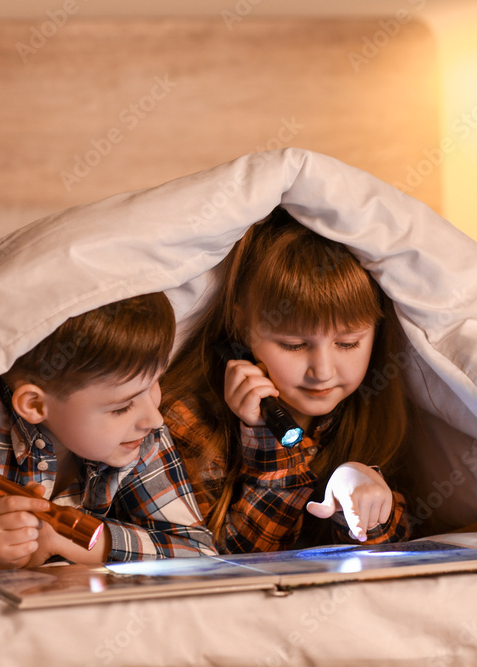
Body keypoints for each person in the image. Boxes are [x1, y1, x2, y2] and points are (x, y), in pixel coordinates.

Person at [161, 207, 414, 554]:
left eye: (348, 343)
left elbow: (399, 553)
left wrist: (362, 501)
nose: (323, 371)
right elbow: (231, 561)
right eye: (293, 345)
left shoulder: (370, 408)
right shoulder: (186, 422)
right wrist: (266, 439)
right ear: (241, 323)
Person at [0, 292, 215, 572]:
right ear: (35, 404)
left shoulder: (139, 435)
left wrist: (72, 540)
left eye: (156, 382)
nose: (155, 419)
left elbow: (200, 554)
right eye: (121, 407)